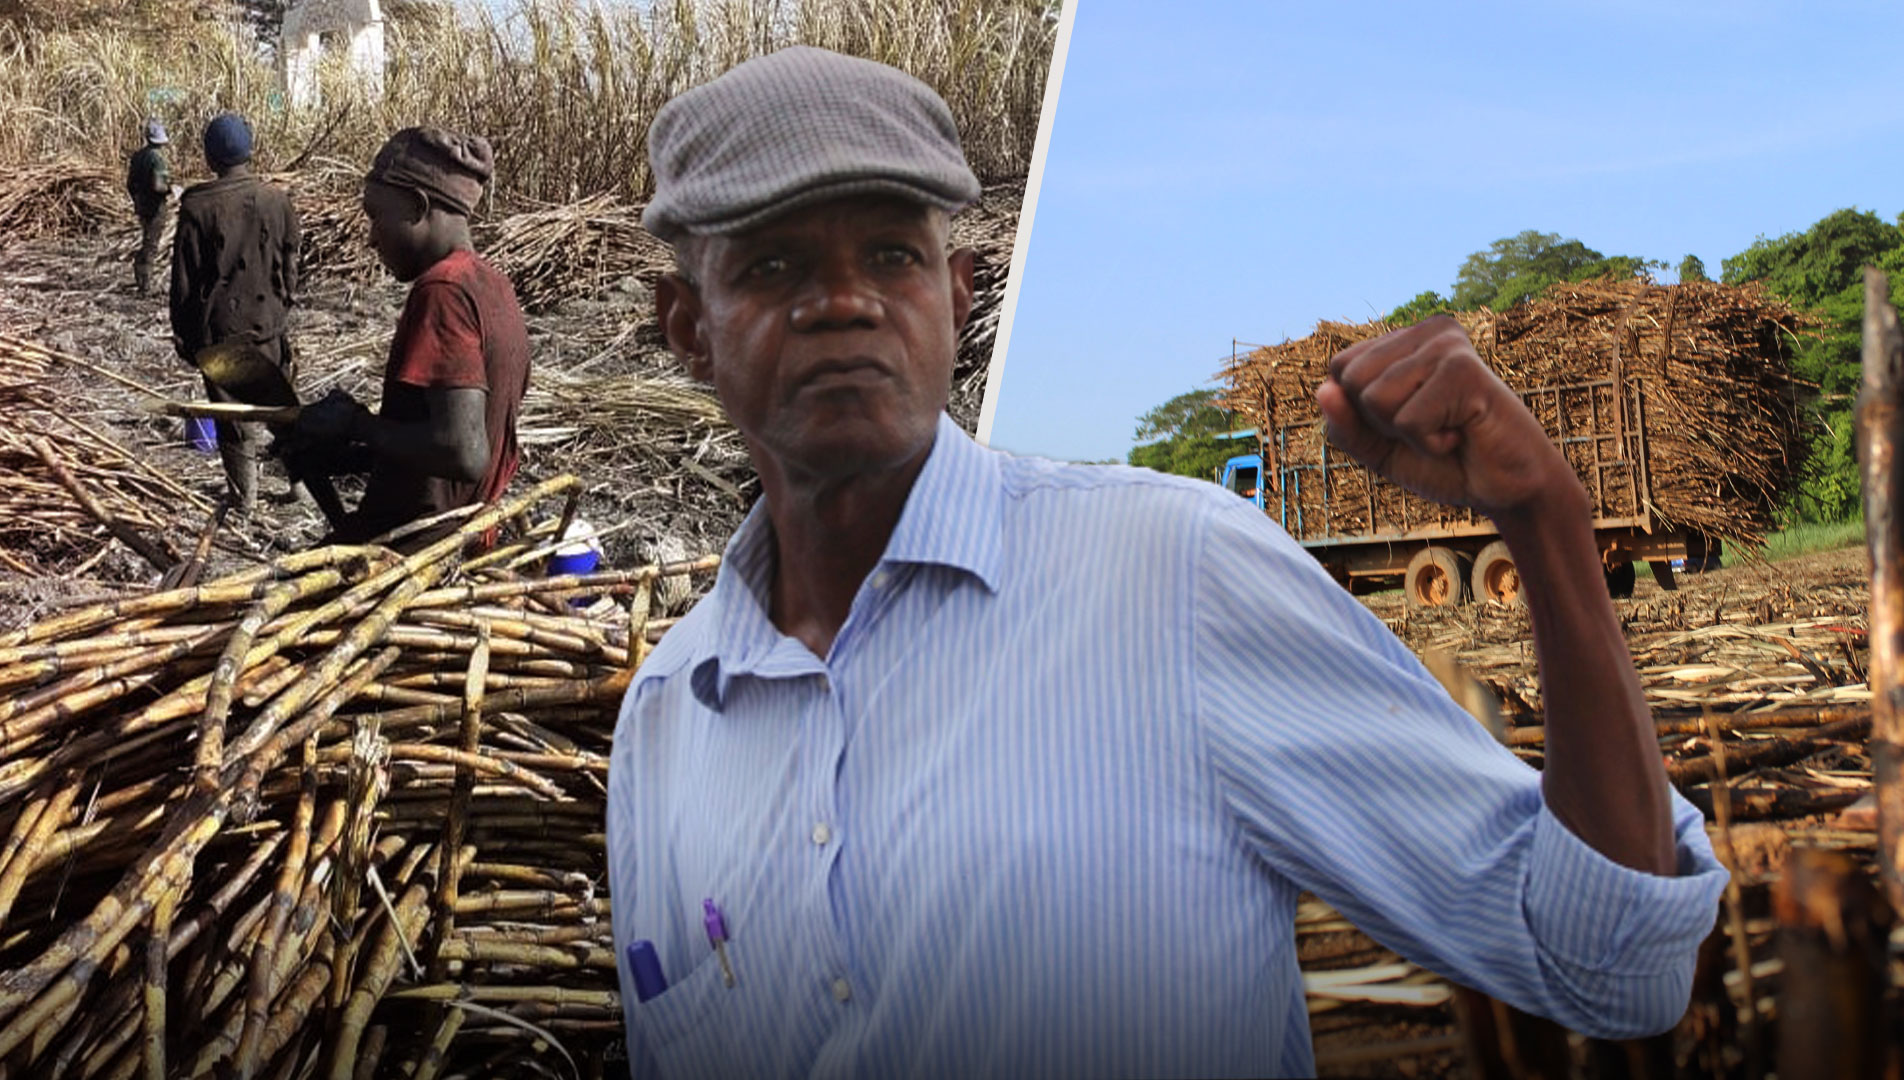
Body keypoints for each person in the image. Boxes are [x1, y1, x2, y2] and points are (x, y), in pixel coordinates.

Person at [606, 47, 1729, 1080]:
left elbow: (1613, 966)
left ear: (957, 298)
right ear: (686, 326)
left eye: (892, 254)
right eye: (771, 264)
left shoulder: (1176, 576)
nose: (842, 302)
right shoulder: (665, 726)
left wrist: (1548, 523)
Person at [285, 126, 531, 546]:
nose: (371, 237)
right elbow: (444, 443)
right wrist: (352, 446)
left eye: (376, 215)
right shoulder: (492, 284)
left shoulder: (444, 291)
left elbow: (464, 452)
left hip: (416, 543)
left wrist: (358, 423)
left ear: (417, 207)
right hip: (462, 532)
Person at [170, 112, 302, 509]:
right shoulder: (277, 201)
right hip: (269, 326)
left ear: (210, 157)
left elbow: (185, 279)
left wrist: (184, 335)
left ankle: (245, 500)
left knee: (232, 419)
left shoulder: (198, 207)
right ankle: (300, 487)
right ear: (250, 149)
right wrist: (283, 307)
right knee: (281, 409)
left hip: (221, 331)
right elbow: (292, 260)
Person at [125, 118, 176, 294]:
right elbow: (159, 186)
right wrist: (171, 190)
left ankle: (140, 275)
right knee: (151, 244)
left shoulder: (138, 156)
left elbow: (130, 183)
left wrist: (137, 199)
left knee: (147, 238)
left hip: (142, 205)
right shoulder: (157, 159)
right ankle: (145, 285)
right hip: (155, 207)